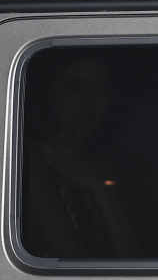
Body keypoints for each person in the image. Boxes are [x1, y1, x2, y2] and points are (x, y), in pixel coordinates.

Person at [23, 55, 141, 258]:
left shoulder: (103, 164)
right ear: (51, 91)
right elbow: (67, 255)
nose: (88, 101)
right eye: (75, 87)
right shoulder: (32, 159)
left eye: (101, 90)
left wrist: (99, 187)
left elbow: (135, 257)